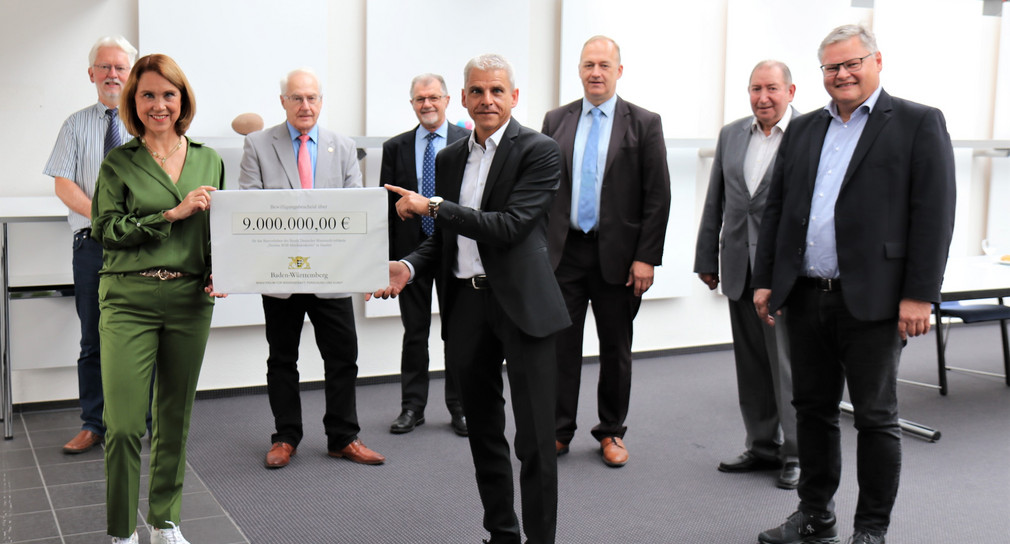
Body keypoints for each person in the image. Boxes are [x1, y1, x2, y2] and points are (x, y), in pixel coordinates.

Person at [752, 25, 955, 544]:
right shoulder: (804, 128)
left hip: (876, 301)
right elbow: (778, 209)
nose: (842, 74)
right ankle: (815, 516)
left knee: (875, 418)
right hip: (806, 295)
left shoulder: (916, 122)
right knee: (812, 412)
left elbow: (934, 215)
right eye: (831, 67)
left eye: (851, 63)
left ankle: (871, 531)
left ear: (876, 62)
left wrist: (919, 294)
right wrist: (767, 279)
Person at [373, 53, 569, 544]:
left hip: (524, 307)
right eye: (477, 91)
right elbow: (445, 238)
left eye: (497, 90)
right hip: (466, 306)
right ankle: (501, 533)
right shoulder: (449, 158)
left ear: (514, 96)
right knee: (483, 432)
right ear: (462, 98)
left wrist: (434, 206)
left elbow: (510, 227)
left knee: (535, 441)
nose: (487, 100)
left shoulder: (540, 150)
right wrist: (409, 265)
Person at [92, 53, 225, 544]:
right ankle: (122, 531)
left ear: (182, 99)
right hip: (128, 298)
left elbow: (221, 229)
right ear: (134, 101)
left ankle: (166, 521)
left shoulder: (209, 159)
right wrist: (169, 215)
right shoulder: (119, 161)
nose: (159, 104)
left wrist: (222, 269)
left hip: (190, 300)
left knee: (174, 418)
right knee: (125, 424)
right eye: (147, 94)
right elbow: (105, 229)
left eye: (168, 94)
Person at [238, 68, 385, 469]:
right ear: (283, 102)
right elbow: (250, 205)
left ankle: (343, 437)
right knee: (282, 359)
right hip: (280, 274)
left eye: (312, 98)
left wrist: (362, 267)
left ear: (321, 101)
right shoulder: (258, 144)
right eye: (297, 98)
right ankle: (285, 437)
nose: (305, 105)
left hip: (333, 273)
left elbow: (356, 212)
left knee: (343, 357)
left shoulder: (344, 146)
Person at [541, 35, 671, 467]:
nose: (595, 73)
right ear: (579, 70)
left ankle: (611, 431)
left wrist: (646, 257)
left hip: (620, 257)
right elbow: (542, 189)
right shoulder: (556, 120)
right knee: (561, 346)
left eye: (604, 65)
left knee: (616, 348)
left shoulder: (644, 123)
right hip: (565, 254)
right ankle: (559, 430)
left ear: (619, 71)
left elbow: (658, 195)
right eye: (588, 65)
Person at [694, 60, 800, 489]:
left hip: (784, 274)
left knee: (787, 367)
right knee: (751, 365)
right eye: (756, 88)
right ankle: (762, 446)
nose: (763, 97)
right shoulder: (732, 134)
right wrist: (706, 257)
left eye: (772, 88)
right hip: (739, 266)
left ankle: (797, 454)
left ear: (791, 91)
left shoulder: (808, 134)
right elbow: (716, 200)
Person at [43, 35, 138, 455]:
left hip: (141, 245)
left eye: (120, 67)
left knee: (144, 335)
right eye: (105, 67)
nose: (112, 74)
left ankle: (143, 421)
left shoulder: (147, 123)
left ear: (131, 74)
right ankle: (93, 424)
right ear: (91, 74)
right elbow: (64, 184)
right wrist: (104, 220)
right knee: (93, 338)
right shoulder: (74, 125)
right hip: (92, 245)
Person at [381, 73, 470, 436]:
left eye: (434, 97)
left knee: (456, 331)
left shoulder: (468, 142)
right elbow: (386, 208)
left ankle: (460, 406)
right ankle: (412, 407)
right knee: (414, 332)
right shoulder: (395, 147)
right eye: (420, 99)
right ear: (412, 104)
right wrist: (387, 257)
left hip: (454, 249)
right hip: (410, 254)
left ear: (448, 100)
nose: (427, 104)